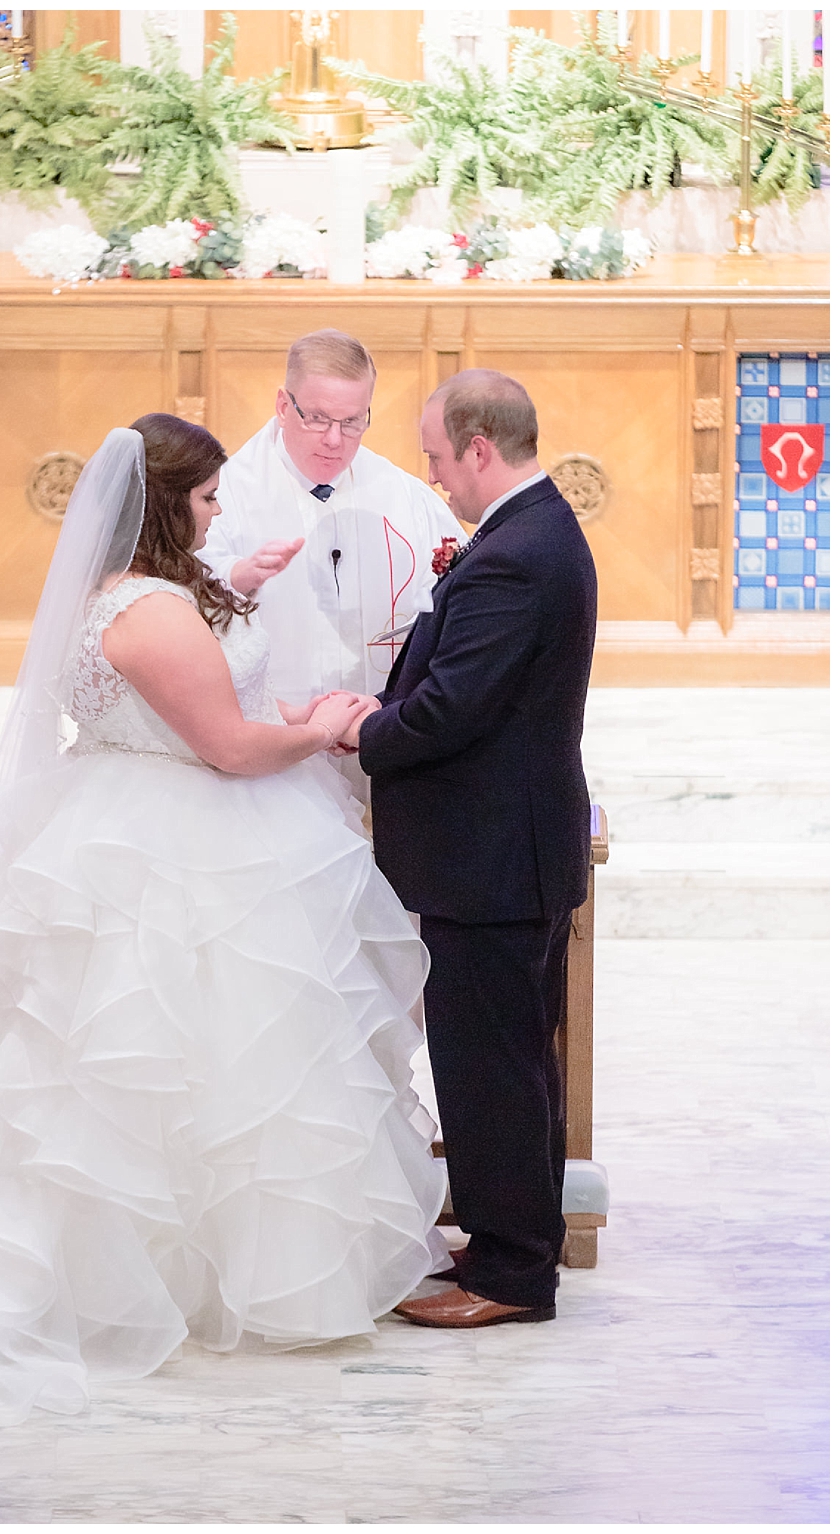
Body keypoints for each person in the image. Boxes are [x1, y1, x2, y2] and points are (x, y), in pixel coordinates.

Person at [0, 414, 449, 1429]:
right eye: (204, 498)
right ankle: (184, 1282)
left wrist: (237, 586)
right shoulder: (152, 612)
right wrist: (322, 727)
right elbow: (229, 748)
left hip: (110, 819)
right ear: (167, 504)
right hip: (179, 841)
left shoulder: (108, 596)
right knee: (204, 1060)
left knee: (138, 1069)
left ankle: (163, 1270)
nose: (215, 511)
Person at [339, 370, 597, 1330]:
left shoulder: (515, 555)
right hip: (504, 850)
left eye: (440, 457)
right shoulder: (532, 534)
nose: (436, 476)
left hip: (491, 857)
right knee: (508, 1062)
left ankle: (514, 1274)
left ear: (480, 449)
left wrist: (359, 734)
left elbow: (454, 707)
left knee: (491, 1068)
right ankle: (504, 1244)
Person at [200, 330, 464, 795]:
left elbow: (458, 591)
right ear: (283, 405)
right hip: (272, 744)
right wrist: (237, 576)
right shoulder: (226, 492)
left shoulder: (404, 497)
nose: (334, 440)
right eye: (317, 418)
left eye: (352, 422)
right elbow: (178, 598)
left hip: (376, 734)